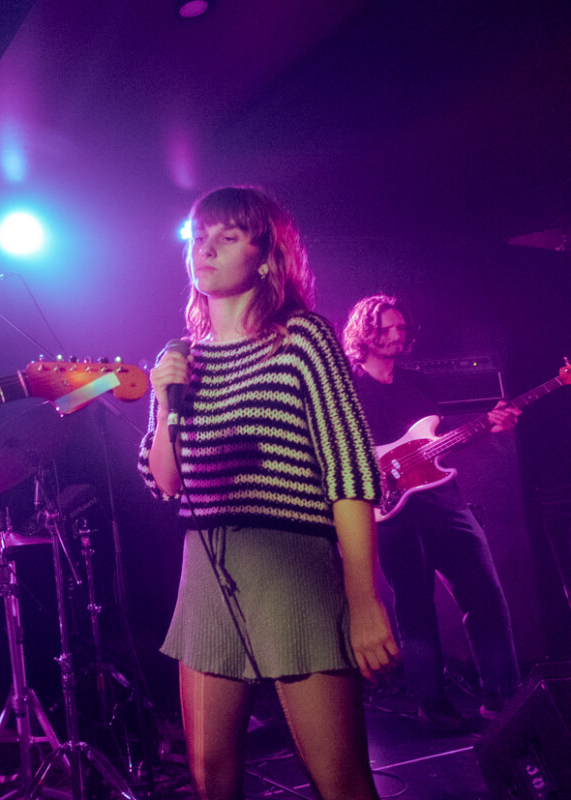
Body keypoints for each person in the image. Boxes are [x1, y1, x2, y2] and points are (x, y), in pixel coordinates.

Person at [137, 186, 398, 800]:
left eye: (228, 237)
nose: (206, 248)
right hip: (204, 569)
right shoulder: (179, 358)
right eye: (199, 236)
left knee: (342, 781)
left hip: (293, 569)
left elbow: (351, 471)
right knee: (210, 779)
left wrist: (364, 601)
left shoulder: (302, 337)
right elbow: (163, 482)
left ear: (265, 256)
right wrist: (165, 399)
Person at [341, 293, 521, 733]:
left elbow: (434, 448)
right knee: (415, 606)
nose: (397, 334)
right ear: (365, 331)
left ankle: (504, 696)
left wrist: (489, 425)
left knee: (485, 594)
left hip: (445, 501)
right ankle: (431, 703)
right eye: (387, 327)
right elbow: (343, 452)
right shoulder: (346, 390)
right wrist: (378, 477)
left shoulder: (418, 382)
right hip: (393, 512)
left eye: (401, 327)